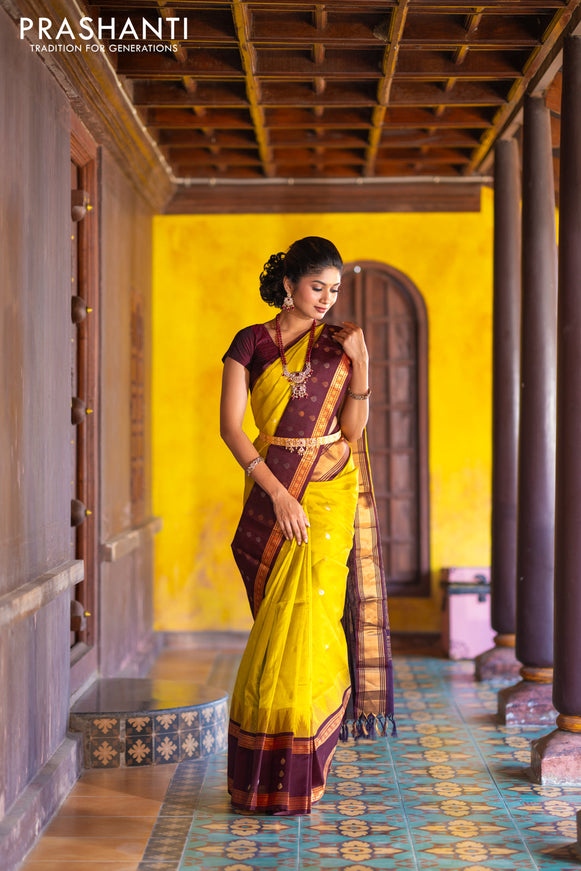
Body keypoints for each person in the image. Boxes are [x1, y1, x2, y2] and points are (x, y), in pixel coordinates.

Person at [220, 236, 394, 815]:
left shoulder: (339, 346)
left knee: (316, 619)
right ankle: (266, 770)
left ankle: (305, 766)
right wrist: (278, 495)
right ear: (290, 283)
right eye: (317, 287)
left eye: (335, 290)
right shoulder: (251, 343)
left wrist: (363, 362)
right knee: (279, 622)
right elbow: (233, 430)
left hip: (329, 492)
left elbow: (353, 433)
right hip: (277, 492)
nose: (326, 299)